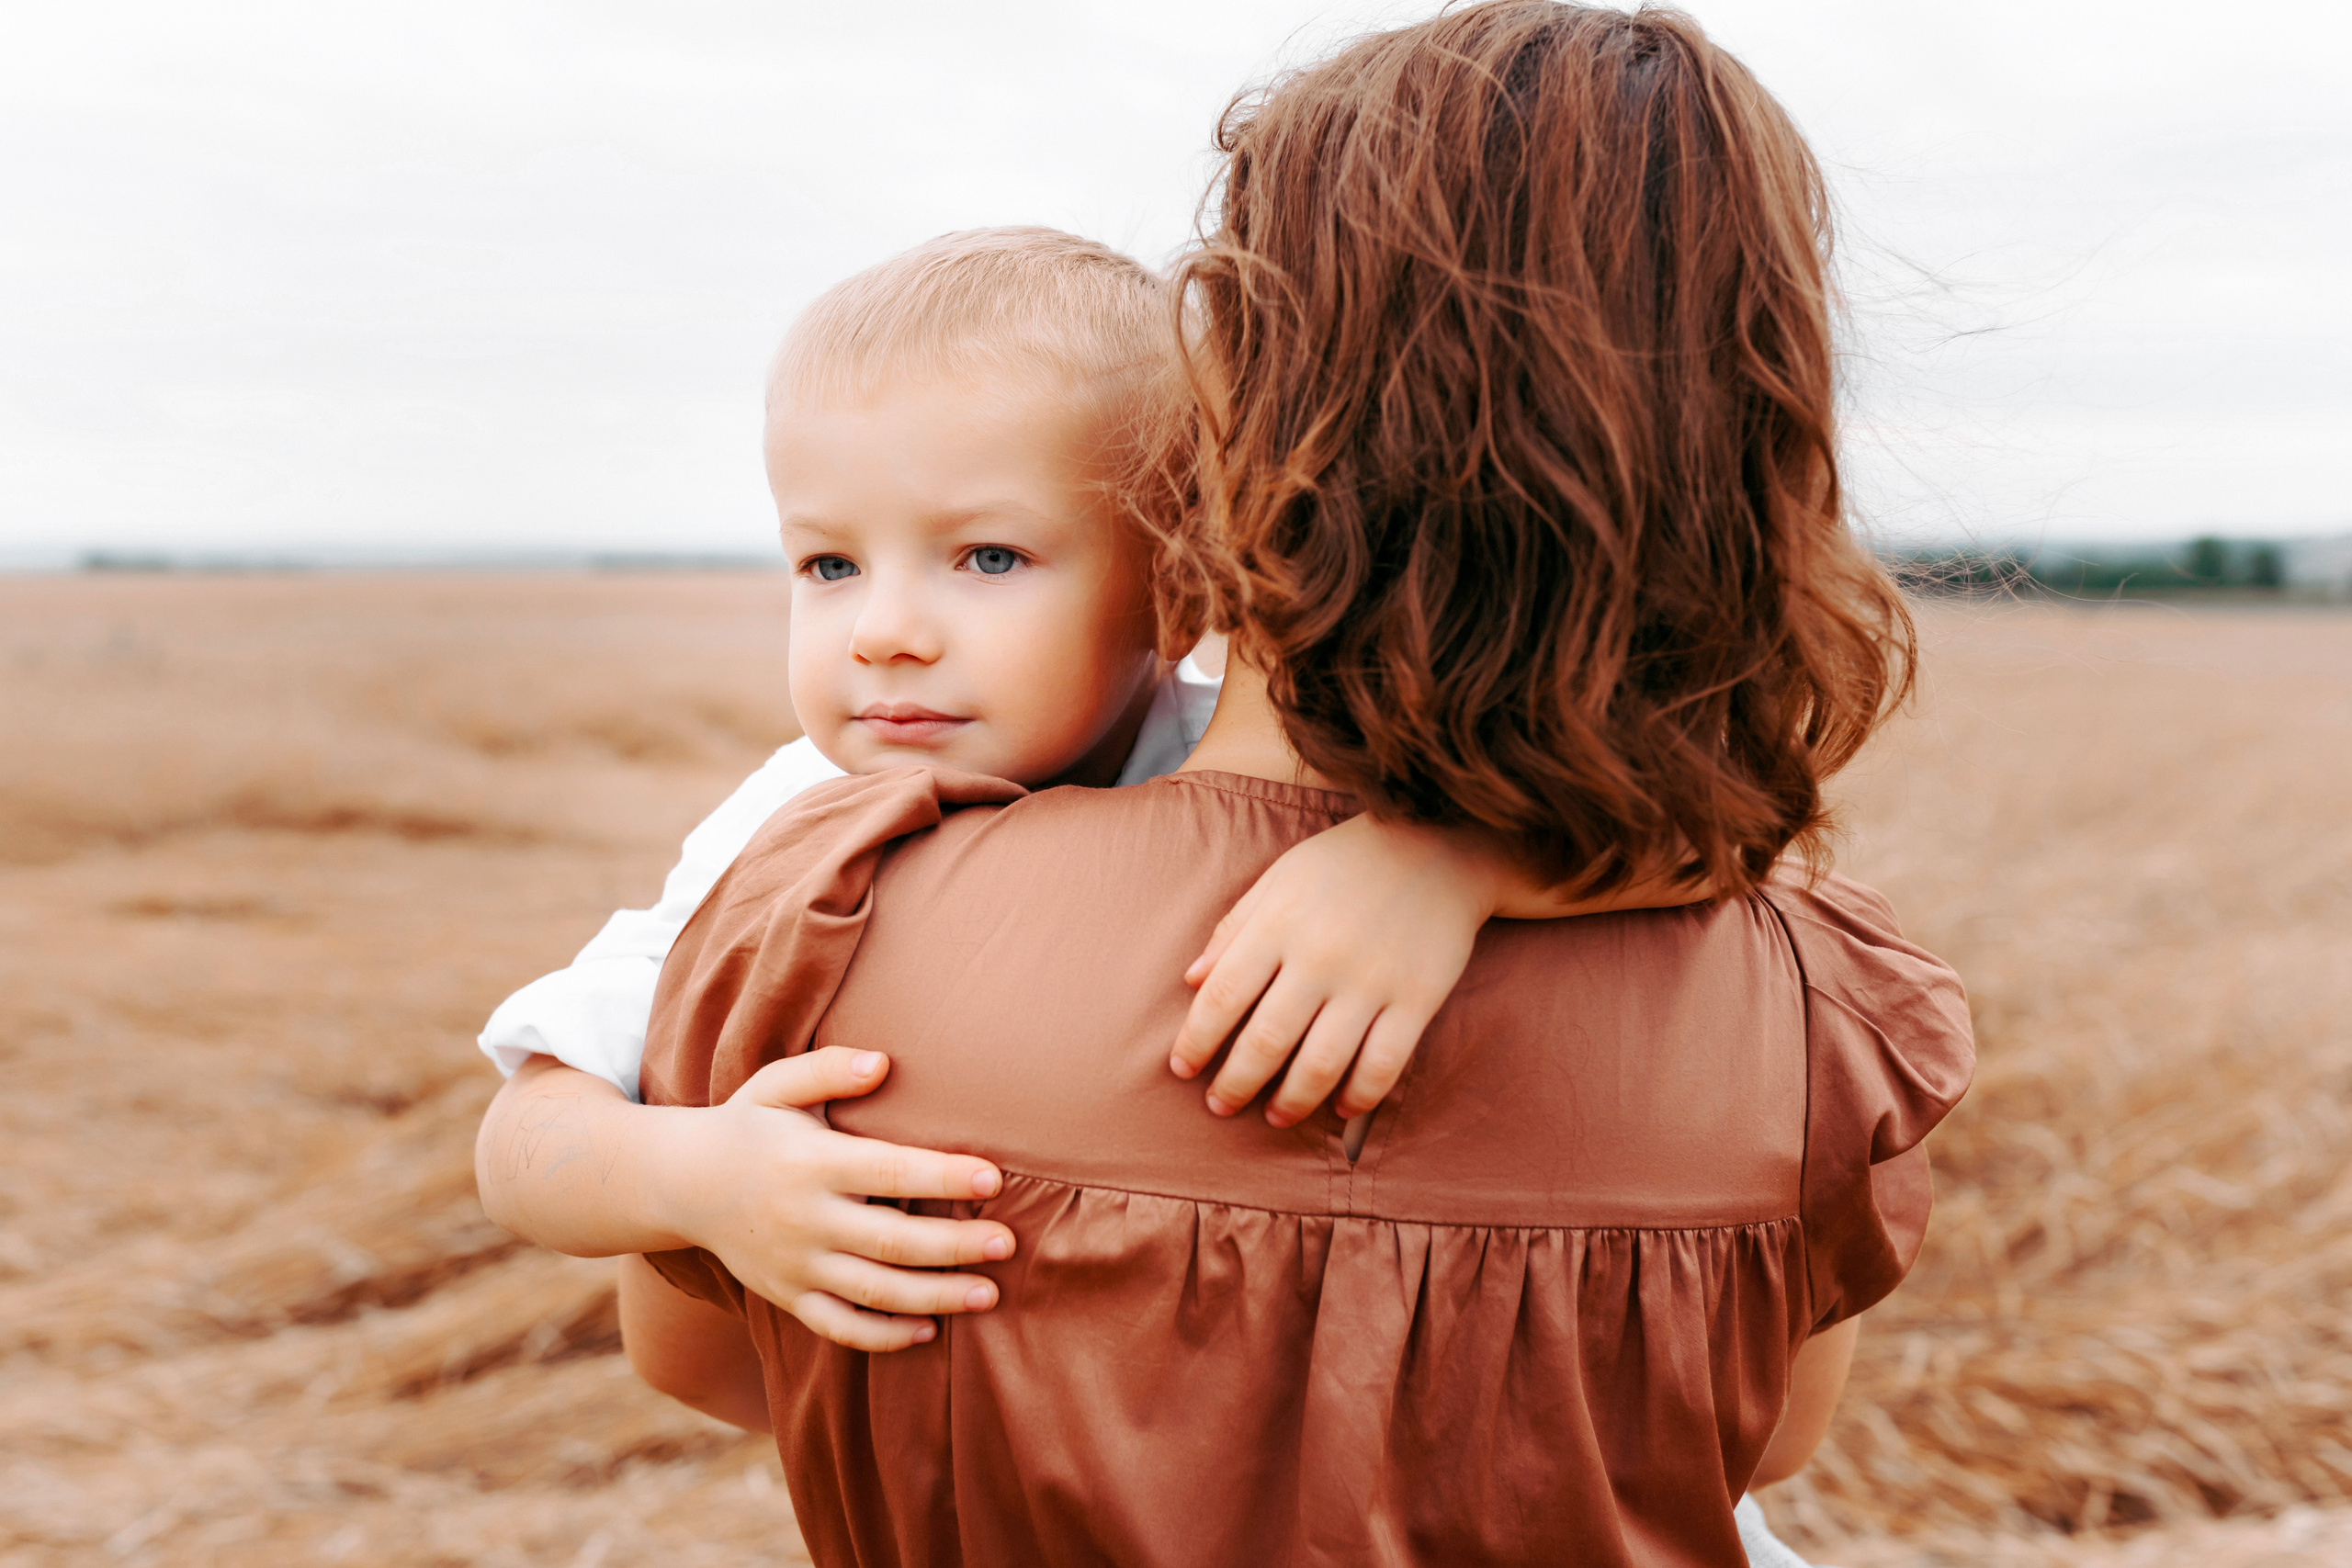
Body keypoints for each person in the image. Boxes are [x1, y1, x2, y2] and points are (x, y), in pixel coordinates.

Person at [625, 5, 1973, 1563]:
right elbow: (1768, 1441)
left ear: (1253, 418)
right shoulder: (1819, 1020)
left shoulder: (824, 910)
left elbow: (710, 1363)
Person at [474, 226, 1698, 1356]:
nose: (885, 631)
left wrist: (1445, 867)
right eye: (829, 563)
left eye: (988, 556)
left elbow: (1697, 849)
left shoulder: (1253, 768)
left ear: (1180, 594)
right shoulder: (786, 823)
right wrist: (696, 1180)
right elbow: (527, 1135)